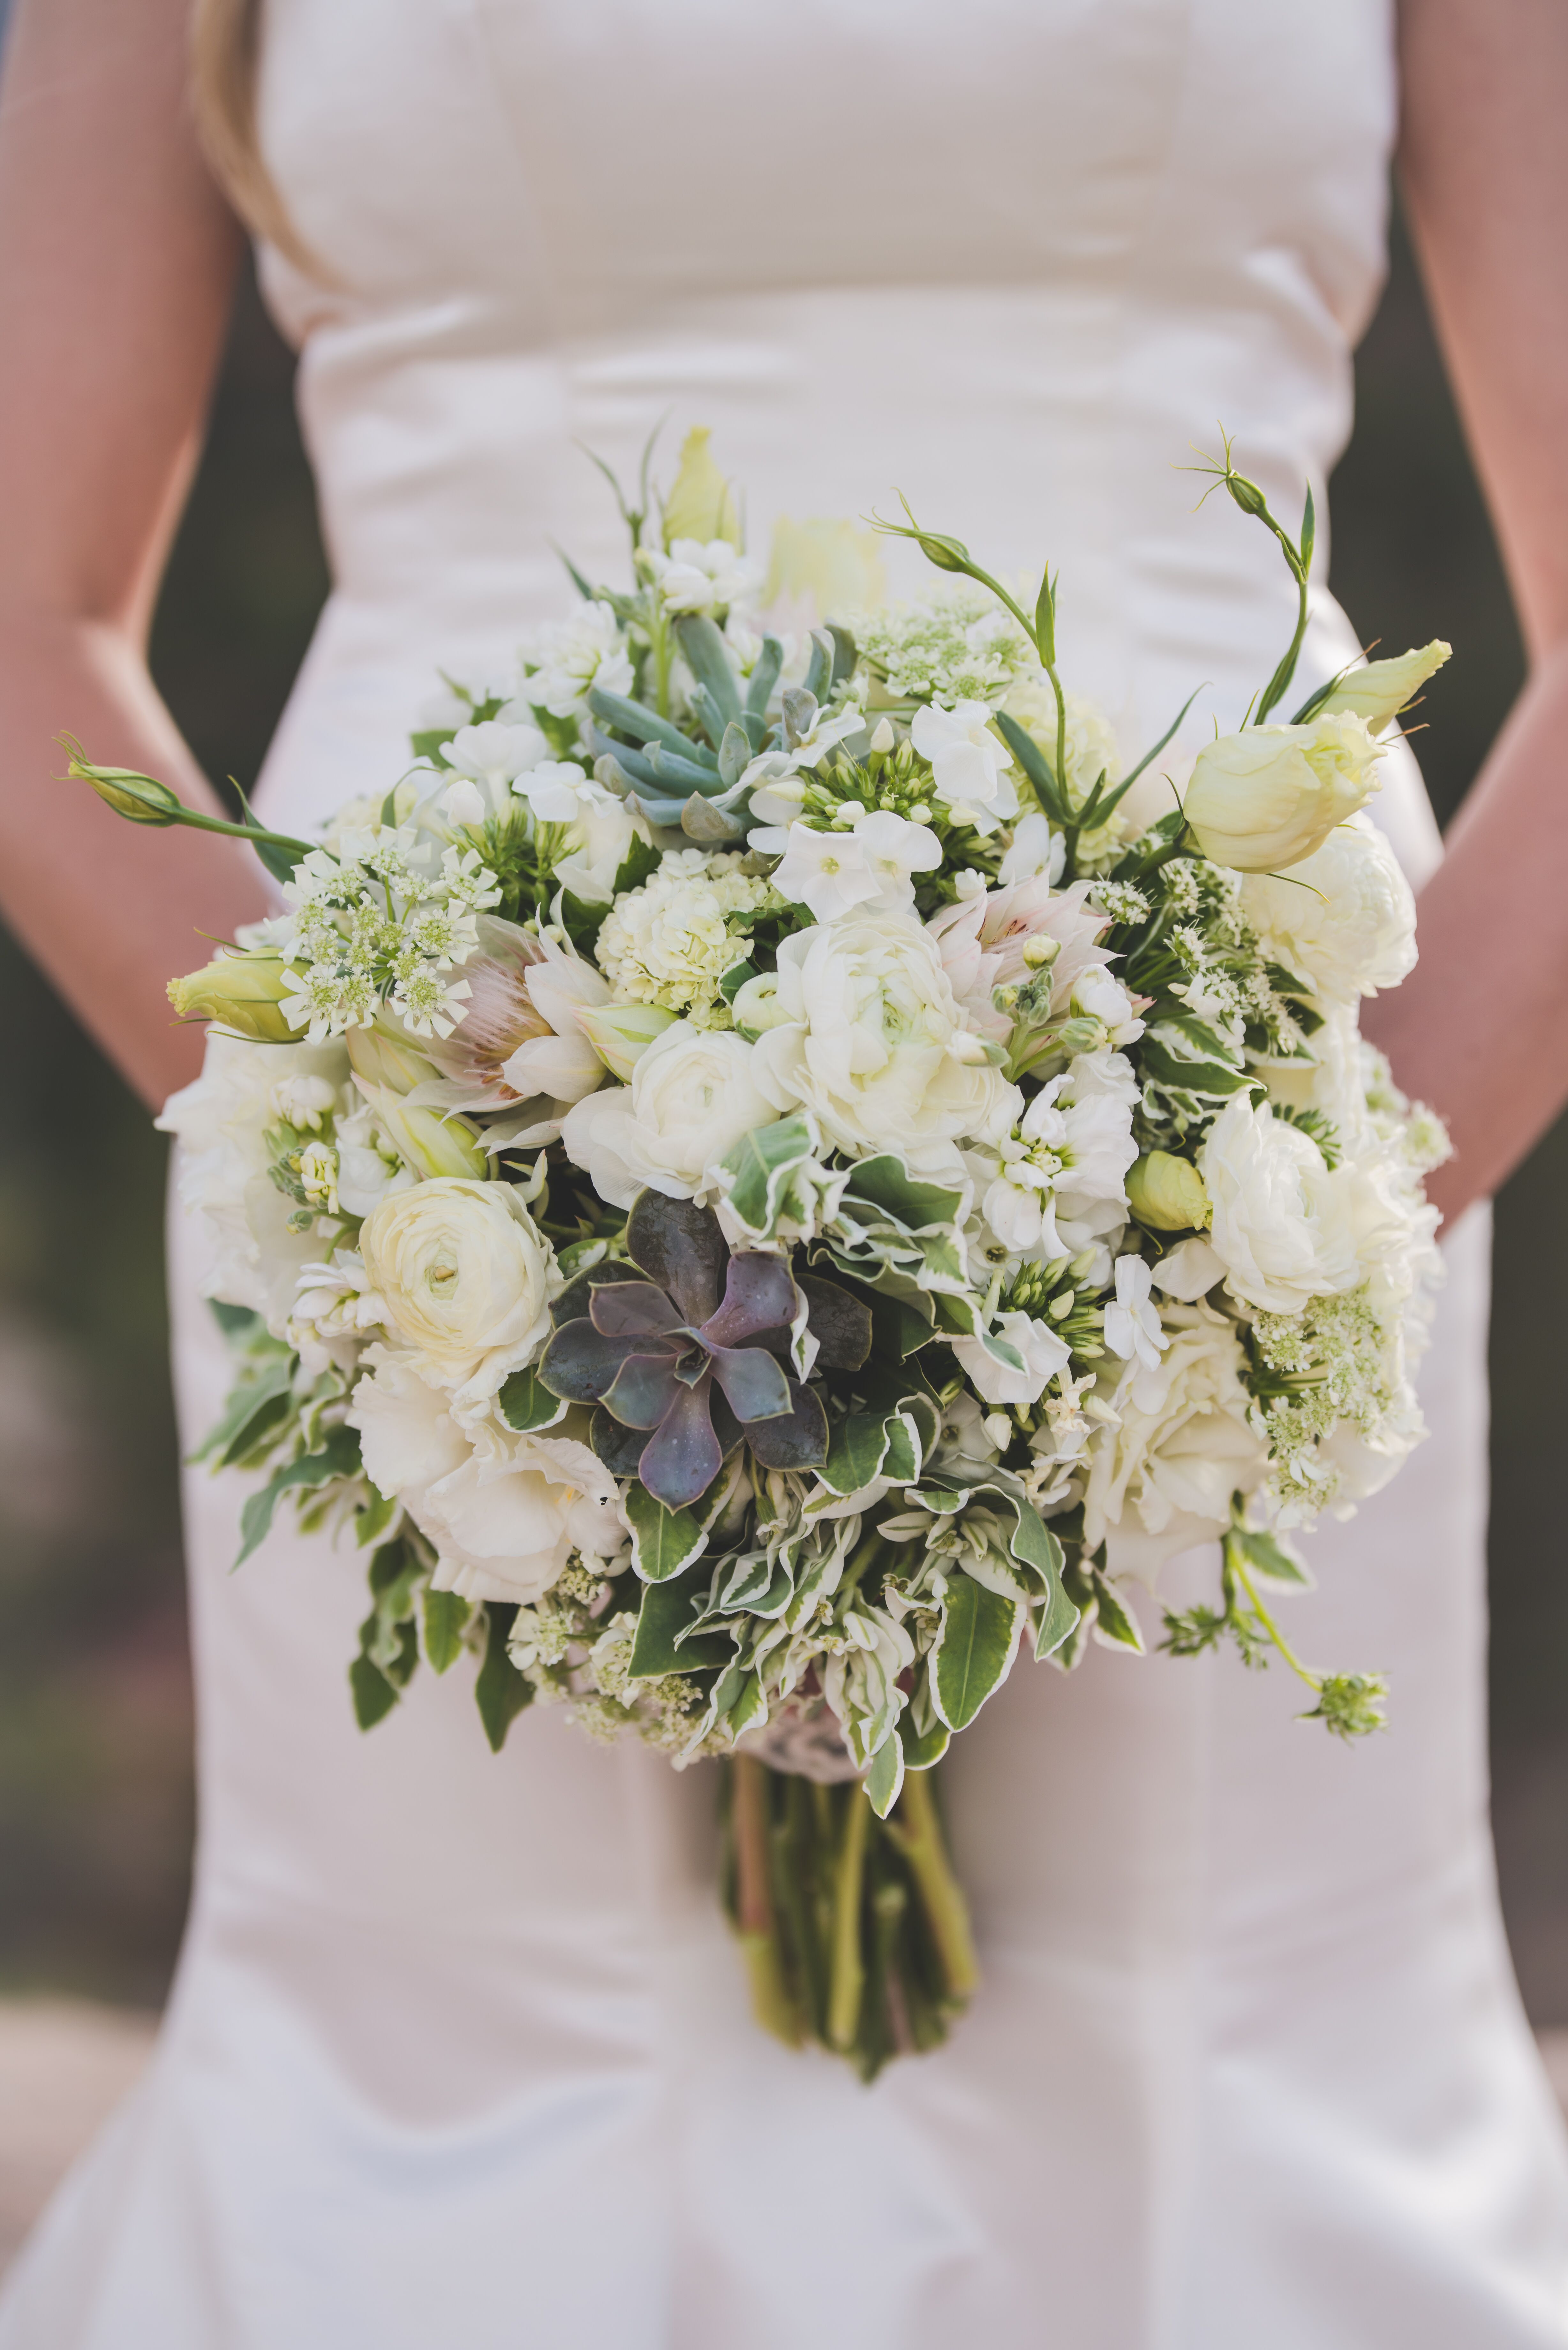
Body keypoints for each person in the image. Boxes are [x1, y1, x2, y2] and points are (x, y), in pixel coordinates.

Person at [1, 0, 1566, 2340]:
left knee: (1191, 2088)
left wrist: (1265, 1264)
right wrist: (366, 1183)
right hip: (429, 1174)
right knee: (479, 2112)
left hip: (1243, 1151)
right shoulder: (396, 1211)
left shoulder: (1261, 1238)